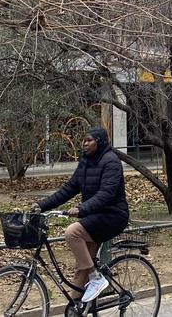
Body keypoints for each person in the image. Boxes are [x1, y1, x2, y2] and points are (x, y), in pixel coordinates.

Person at [33, 127, 129, 303]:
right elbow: (69, 188)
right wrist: (41, 205)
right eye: (83, 140)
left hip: (113, 216)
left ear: (99, 142)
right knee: (82, 267)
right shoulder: (86, 161)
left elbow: (106, 194)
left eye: (89, 140)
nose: (84, 143)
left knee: (72, 232)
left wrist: (81, 209)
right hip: (94, 217)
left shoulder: (111, 162)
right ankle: (75, 309)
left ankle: (96, 278)